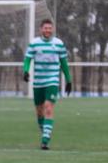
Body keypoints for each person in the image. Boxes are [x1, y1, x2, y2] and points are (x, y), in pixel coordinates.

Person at [23, 18, 72, 150]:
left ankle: (45, 140)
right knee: (39, 112)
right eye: (45, 28)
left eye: (50, 28)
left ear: (52, 29)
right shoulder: (34, 44)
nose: (48, 30)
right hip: (38, 82)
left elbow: (64, 63)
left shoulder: (59, 44)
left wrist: (69, 79)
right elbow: (27, 59)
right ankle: (45, 131)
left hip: (52, 81)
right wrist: (26, 71)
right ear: (41, 29)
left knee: (48, 107)